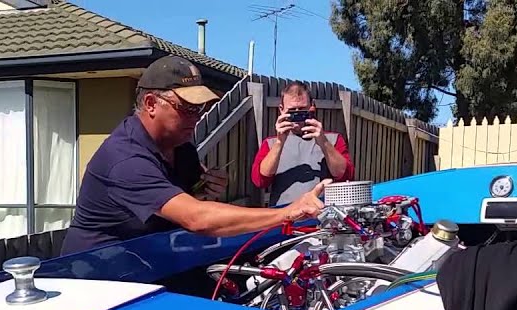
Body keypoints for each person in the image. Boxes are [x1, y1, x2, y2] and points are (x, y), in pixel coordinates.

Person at [61, 56, 328, 256]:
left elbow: (189, 203)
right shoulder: (125, 159)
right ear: (152, 104)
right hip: (98, 278)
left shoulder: (181, 146)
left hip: (152, 259)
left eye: (200, 108)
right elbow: (197, 218)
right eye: (187, 108)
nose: (197, 116)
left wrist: (205, 190)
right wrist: (289, 213)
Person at [250, 81, 354, 206]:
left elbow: (346, 175)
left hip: (322, 217)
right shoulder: (271, 143)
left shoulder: (333, 139)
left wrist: (323, 142)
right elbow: (260, 181)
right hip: (284, 218)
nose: (298, 116)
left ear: (312, 107)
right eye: (292, 111)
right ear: (281, 110)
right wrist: (279, 142)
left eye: (303, 110)